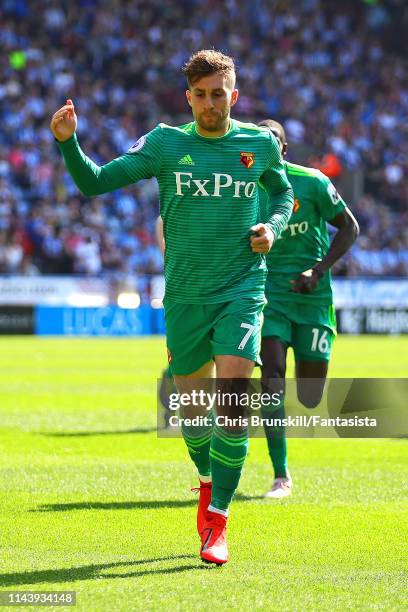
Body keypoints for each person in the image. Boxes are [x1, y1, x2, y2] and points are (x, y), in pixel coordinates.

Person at [50, 50, 294, 565]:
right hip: (185, 296)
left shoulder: (259, 143)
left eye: (219, 94)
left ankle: (218, 521)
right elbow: (95, 181)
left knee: (232, 402)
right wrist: (69, 143)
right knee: (192, 412)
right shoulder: (165, 144)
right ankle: (207, 482)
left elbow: (282, 195)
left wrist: (271, 227)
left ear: (235, 94)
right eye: (201, 95)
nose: (210, 104)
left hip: (242, 289)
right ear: (188, 97)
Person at [258, 120, 359, 498]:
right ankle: (281, 474)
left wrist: (317, 271)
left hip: (313, 296)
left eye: (272, 143)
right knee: (272, 379)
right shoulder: (244, 187)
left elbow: (350, 228)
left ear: (283, 149)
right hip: (268, 296)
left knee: (311, 393)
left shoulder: (313, 182)